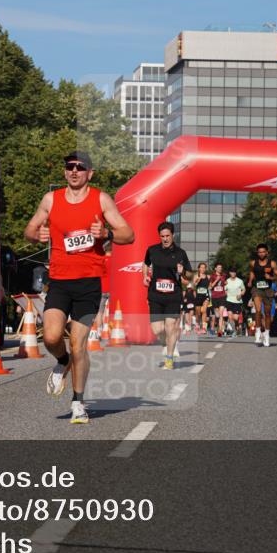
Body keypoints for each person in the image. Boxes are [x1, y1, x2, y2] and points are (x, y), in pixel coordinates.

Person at [24, 151, 134, 424]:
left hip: (88, 284)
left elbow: (129, 234)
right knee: (50, 337)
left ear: (90, 173)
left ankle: (78, 402)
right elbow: (29, 229)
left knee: (78, 342)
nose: (74, 171)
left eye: (80, 167)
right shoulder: (51, 199)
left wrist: (106, 234)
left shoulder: (101, 199)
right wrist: (37, 235)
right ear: (65, 172)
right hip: (59, 282)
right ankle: (63, 362)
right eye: (69, 167)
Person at [143, 222, 192, 370]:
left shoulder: (180, 253)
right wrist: (144, 276)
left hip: (173, 295)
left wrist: (183, 271)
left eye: (167, 236)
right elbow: (145, 263)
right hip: (155, 294)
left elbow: (189, 275)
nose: (165, 239)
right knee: (157, 329)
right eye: (162, 236)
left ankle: (169, 359)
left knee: (170, 327)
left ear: (173, 235)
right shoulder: (152, 250)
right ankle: (166, 343)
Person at [247, 244, 277, 347]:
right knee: (257, 310)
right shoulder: (253, 263)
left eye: (263, 252)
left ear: (267, 252)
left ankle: (266, 335)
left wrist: (270, 278)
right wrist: (250, 280)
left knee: (267, 313)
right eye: (259, 252)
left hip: (268, 290)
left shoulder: (272, 263)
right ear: (257, 253)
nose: (261, 253)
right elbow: (252, 272)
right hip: (257, 288)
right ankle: (257, 332)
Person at [209, 263, 228, 336]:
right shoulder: (212, 276)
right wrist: (216, 280)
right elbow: (210, 287)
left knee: (221, 314)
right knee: (217, 315)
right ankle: (218, 326)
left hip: (222, 296)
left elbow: (225, 283)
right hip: (214, 297)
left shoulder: (224, 275)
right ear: (215, 268)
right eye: (219, 267)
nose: (220, 269)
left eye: (221, 267)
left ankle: (220, 330)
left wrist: (225, 283)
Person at [225, 268, 245, 337]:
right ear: (229, 273)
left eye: (234, 272)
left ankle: (237, 326)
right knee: (230, 317)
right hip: (229, 300)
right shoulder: (227, 281)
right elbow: (224, 289)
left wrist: (241, 294)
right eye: (231, 272)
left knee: (236, 318)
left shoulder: (240, 281)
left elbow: (244, 289)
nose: (233, 274)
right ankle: (234, 331)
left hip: (237, 301)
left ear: (236, 273)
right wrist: (225, 294)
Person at [193, 263, 210, 335]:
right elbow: (194, 285)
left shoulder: (208, 277)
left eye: (204, 268)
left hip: (205, 295)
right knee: (198, 313)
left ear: (205, 269)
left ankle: (204, 328)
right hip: (198, 296)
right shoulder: (196, 276)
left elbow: (210, 286)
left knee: (204, 311)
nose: (203, 269)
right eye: (201, 267)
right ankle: (197, 324)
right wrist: (198, 280)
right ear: (199, 268)